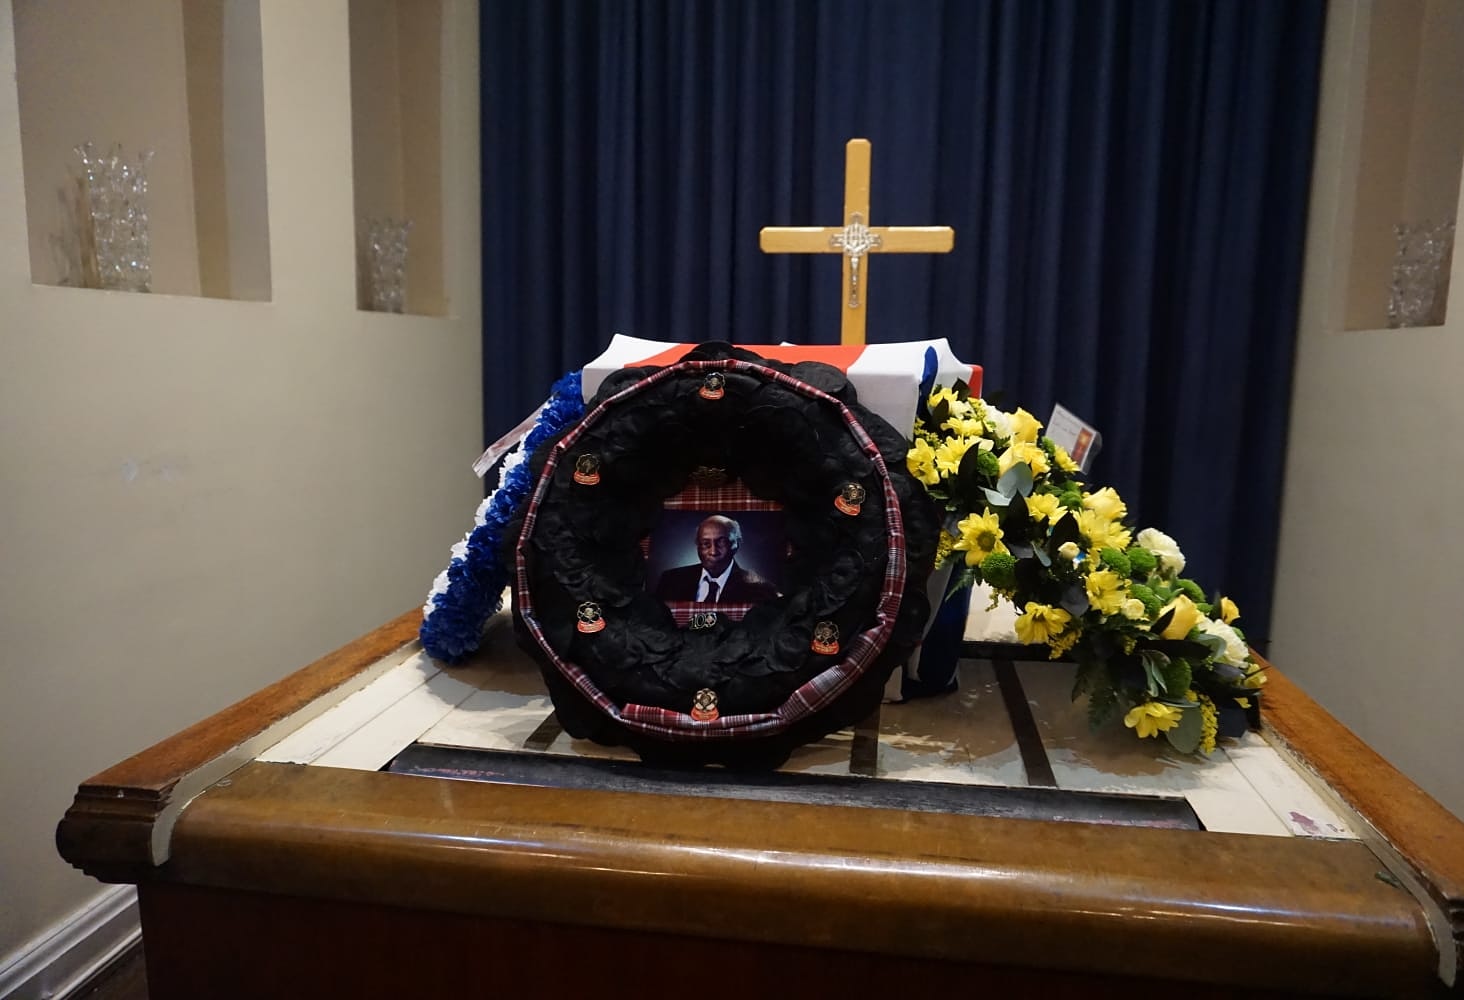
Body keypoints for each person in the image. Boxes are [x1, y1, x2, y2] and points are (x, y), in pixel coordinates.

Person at [653, 514, 779, 603]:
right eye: (705, 544)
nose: (713, 551)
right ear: (697, 545)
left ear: (736, 544)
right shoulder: (670, 580)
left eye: (721, 542)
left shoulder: (760, 590)